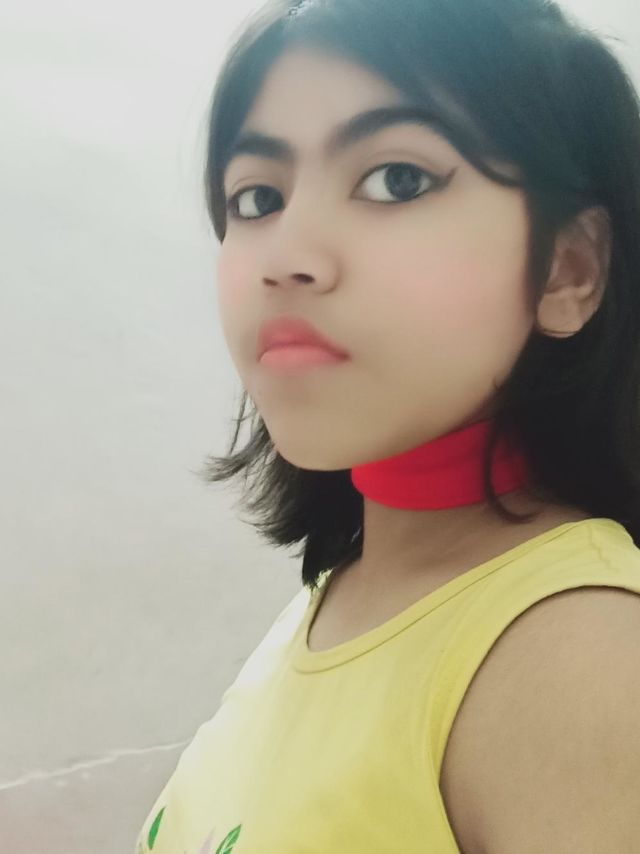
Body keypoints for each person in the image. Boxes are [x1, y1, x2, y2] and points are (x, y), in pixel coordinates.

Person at [135, 0, 640, 851]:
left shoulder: (583, 655)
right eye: (257, 196)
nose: (288, 255)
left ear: (569, 268)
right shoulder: (342, 589)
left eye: (396, 180)